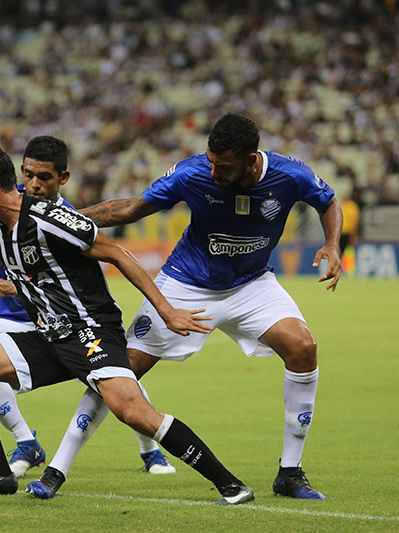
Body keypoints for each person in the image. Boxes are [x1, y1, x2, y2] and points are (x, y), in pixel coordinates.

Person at [0, 140, 254, 505]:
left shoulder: (50, 219)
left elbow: (117, 252)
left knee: (132, 411)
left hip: (90, 331)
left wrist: (166, 310)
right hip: (49, 335)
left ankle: (231, 485)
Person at [38, 113, 341, 501]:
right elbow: (131, 208)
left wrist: (332, 244)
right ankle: (56, 469)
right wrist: (65, 222)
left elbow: (328, 201)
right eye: (211, 161)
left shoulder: (290, 174)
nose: (213, 171)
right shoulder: (191, 174)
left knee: (303, 348)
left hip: (252, 284)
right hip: (186, 284)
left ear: (251, 159)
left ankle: (290, 473)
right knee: (119, 369)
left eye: (224, 166)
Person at [0, 135, 176, 478]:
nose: (35, 185)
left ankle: (150, 448)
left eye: (44, 178)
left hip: (62, 320)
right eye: (29, 176)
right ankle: (25, 442)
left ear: (63, 179)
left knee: (114, 377)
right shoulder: (0, 202)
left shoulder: (64, 219)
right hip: (7, 316)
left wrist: (10, 286)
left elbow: (72, 282)